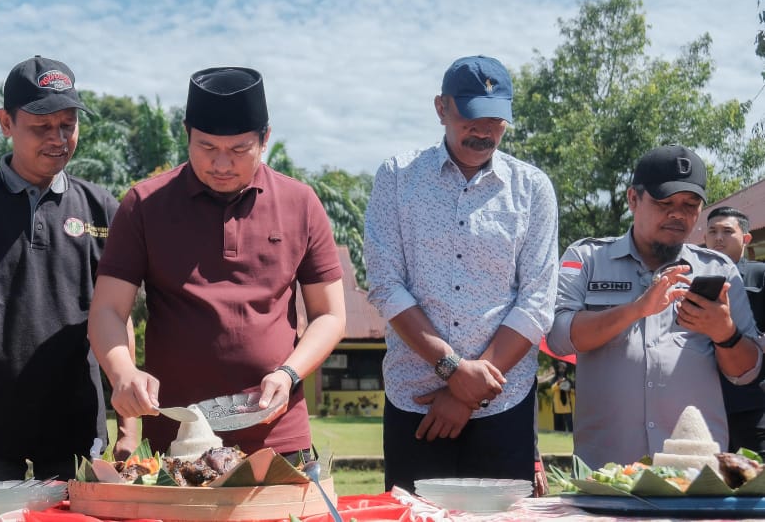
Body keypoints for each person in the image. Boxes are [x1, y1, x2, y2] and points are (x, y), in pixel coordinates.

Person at [88, 66, 346, 458]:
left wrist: (288, 372)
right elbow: (107, 308)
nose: (221, 165)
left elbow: (330, 314)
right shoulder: (145, 204)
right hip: (179, 439)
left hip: (278, 436)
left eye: (239, 150)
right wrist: (122, 372)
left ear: (265, 140)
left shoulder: (300, 203)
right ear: (186, 134)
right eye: (206, 148)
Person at [0, 56, 138, 485]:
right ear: (5, 122)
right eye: (40, 126)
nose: (57, 138)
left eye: (67, 125)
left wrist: (128, 427)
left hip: (78, 438)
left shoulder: (106, 211)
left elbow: (118, 318)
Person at [364, 55, 559, 491]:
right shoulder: (397, 178)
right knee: (416, 519)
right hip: (415, 399)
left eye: (496, 120)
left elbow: (537, 299)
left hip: (503, 402)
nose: (484, 131)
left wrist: (467, 392)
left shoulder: (533, 189)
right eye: (472, 117)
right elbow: (385, 284)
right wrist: (454, 371)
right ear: (441, 108)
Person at [547, 145, 762, 469]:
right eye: (665, 203)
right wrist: (635, 310)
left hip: (694, 472)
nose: (678, 214)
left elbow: (747, 373)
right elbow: (559, 336)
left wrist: (725, 334)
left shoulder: (717, 269)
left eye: (690, 206)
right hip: (607, 471)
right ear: (634, 199)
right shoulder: (587, 258)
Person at [705, 206, 765, 452]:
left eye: (727, 231)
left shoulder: (759, 275)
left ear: (746, 238)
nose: (718, 237)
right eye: (712, 231)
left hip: (753, 401)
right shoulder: (692, 277)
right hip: (705, 402)